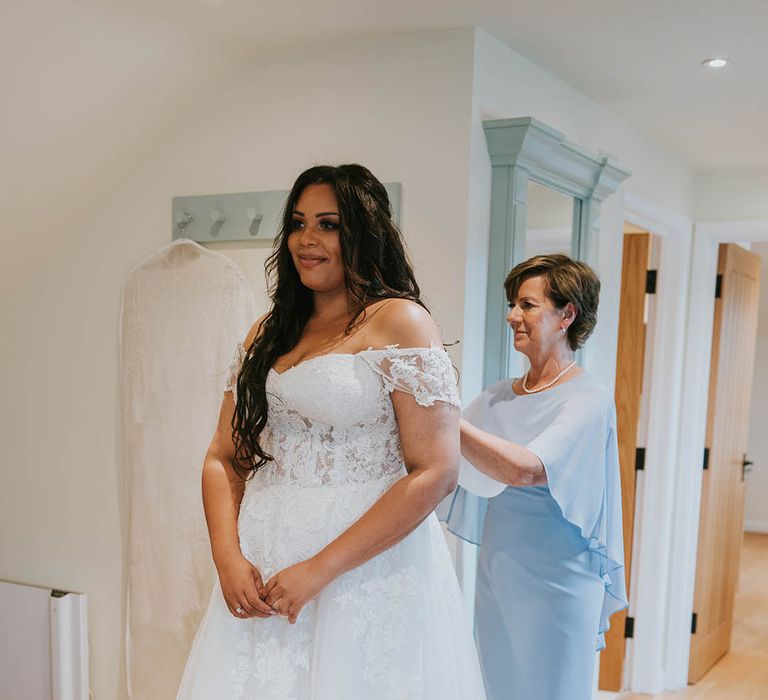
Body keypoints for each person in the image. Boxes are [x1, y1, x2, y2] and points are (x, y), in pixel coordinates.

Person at [176, 164, 486, 699]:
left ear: (363, 233)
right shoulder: (268, 332)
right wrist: (227, 557)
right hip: (264, 559)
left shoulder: (399, 321)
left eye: (328, 224)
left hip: (364, 570)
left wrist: (321, 569)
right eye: (298, 223)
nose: (307, 239)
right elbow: (223, 457)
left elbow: (436, 470)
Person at [442, 254, 627, 700]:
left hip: (561, 585)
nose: (512, 316)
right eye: (513, 304)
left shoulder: (588, 399)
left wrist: (440, 412)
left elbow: (526, 469)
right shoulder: (496, 397)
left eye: (526, 304)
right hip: (500, 576)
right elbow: (440, 455)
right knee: (499, 686)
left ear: (567, 314)